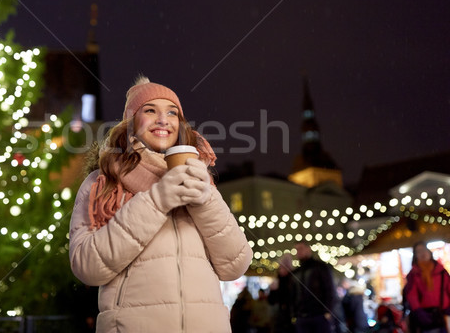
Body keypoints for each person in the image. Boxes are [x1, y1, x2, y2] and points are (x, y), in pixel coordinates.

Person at [69, 76, 253, 332]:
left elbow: (236, 265)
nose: (163, 119)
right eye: (150, 110)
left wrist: (206, 201)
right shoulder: (102, 182)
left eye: (172, 112)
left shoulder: (202, 182)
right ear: (131, 123)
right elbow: (86, 265)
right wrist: (157, 200)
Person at [291, 241, 338, 333]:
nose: (298, 252)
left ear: (308, 249)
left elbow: (329, 289)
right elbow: (293, 294)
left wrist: (327, 311)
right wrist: (294, 314)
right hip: (302, 317)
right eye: (296, 249)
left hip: (319, 315)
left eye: (301, 248)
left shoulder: (320, 267)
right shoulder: (296, 272)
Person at [404, 241, 450, 333]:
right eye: (418, 251)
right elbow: (412, 295)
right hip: (426, 315)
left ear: (429, 252)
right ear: (415, 255)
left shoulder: (441, 271)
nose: (422, 253)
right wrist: (418, 311)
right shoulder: (413, 274)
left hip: (444, 314)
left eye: (424, 250)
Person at [268, 253, 296, 333]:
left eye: (284, 267)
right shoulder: (277, 281)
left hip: (291, 316)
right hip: (278, 316)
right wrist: (273, 290)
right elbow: (271, 301)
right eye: (280, 267)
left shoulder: (293, 281)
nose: (281, 270)